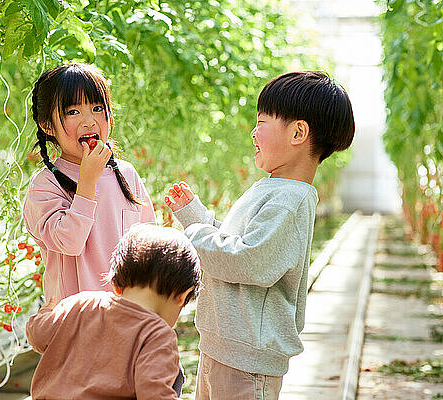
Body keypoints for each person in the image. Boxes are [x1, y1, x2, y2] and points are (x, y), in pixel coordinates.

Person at [164, 71, 355, 400]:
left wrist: (192, 235)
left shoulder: (288, 201)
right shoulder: (275, 189)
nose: (254, 132)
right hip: (225, 347)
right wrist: (194, 215)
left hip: (247, 360)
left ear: (298, 133)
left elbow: (248, 260)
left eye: (262, 122)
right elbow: (235, 239)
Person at [23, 63, 156, 302]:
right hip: (76, 324)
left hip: (127, 318)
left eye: (97, 108)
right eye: (73, 112)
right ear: (47, 125)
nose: (89, 121)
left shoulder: (126, 174)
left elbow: (149, 246)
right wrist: (87, 183)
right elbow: (69, 242)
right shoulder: (45, 185)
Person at [26, 224, 202, 399]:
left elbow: (38, 335)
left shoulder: (80, 303)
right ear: (182, 296)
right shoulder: (157, 335)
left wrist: (45, 313)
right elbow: (154, 394)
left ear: (116, 285)